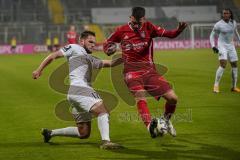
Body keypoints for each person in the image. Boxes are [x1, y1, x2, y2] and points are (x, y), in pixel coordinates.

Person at [103, 7, 187, 138]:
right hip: (131, 72)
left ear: (144, 19)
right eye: (135, 22)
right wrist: (109, 49)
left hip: (149, 71)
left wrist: (179, 30)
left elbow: (170, 34)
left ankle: (165, 120)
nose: (137, 25)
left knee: (173, 98)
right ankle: (150, 127)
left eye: (139, 23)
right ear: (130, 18)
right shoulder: (121, 30)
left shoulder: (149, 27)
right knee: (140, 97)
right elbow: (107, 44)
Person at [32, 31, 123, 149]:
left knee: (83, 133)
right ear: (81, 41)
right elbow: (54, 55)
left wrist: (125, 55)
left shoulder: (90, 58)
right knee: (102, 111)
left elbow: (110, 63)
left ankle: (50, 133)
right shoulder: (74, 48)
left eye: (94, 43)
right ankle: (106, 142)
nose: (93, 45)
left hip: (74, 94)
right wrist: (39, 69)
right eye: (90, 42)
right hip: (80, 89)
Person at [210, 8, 240, 93]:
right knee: (223, 64)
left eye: (227, 13)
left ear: (230, 14)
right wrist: (213, 46)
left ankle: (234, 87)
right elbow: (212, 35)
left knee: (234, 65)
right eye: (224, 13)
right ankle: (216, 86)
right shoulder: (218, 24)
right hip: (222, 46)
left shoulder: (233, 22)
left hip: (231, 46)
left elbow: (236, 32)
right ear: (222, 14)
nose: (225, 15)